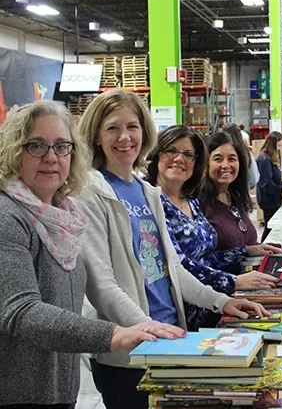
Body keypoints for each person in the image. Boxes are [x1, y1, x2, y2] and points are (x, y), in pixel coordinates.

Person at [77, 90, 269, 409]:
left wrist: (222, 302)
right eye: (112, 128)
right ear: (96, 134)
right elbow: (100, 284)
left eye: (132, 127)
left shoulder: (147, 193)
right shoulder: (90, 192)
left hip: (168, 334)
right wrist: (148, 329)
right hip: (128, 351)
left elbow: (173, 270)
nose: (124, 137)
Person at [0, 101, 182, 408]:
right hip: (15, 392)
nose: (51, 158)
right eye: (36, 146)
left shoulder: (64, 216)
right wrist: (116, 334)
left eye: (61, 146)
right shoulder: (8, 217)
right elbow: (22, 311)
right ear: (13, 151)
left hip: (58, 388)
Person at [146, 125, 280, 329]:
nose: (179, 159)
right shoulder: (152, 203)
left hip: (213, 306)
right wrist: (233, 281)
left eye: (188, 154)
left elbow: (207, 256)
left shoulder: (189, 201)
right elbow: (179, 267)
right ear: (156, 155)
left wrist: (243, 251)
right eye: (171, 150)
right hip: (180, 317)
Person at [200, 132, 263, 251]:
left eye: (232, 159)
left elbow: (246, 242)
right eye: (218, 159)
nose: (225, 165)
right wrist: (246, 252)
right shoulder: (198, 203)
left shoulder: (235, 197)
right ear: (206, 163)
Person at [256, 131, 282, 242]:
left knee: (273, 227)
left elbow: (273, 179)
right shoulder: (264, 160)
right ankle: (264, 248)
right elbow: (267, 184)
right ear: (271, 144)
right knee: (270, 228)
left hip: (273, 199)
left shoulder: (269, 158)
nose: (279, 149)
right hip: (269, 201)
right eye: (278, 146)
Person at [224, 123, 259, 190]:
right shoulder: (246, 152)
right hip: (243, 193)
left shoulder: (222, 151)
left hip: (226, 192)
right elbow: (254, 178)